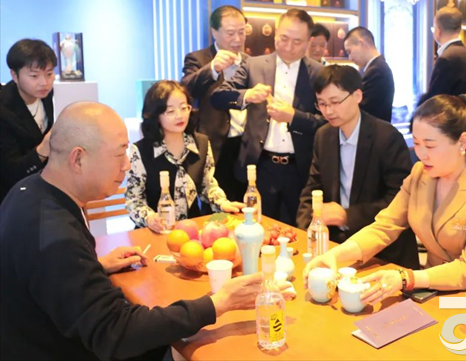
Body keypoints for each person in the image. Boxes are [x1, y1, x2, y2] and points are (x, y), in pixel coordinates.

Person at [0, 101, 294, 359]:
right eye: (119, 154)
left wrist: (93, 266)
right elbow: (117, 332)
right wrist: (218, 303)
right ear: (78, 158)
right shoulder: (55, 234)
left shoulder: (28, 191)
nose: (127, 165)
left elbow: (48, 276)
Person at [304, 94, 466, 307]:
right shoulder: (420, 174)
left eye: (430, 145)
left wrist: (405, 278)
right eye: (416, 143)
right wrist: (334, 255)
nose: (421, 154)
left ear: (462, 142)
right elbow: (384, 227)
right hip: (436, 293)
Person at [296, 65, 420, 269]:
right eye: (322, 104)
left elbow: (400, 201)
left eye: (335, 102)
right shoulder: (324, 136)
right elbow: (312, 189)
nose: (329, 111)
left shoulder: (386, 137)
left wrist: (348, 215)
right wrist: (306, 233)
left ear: (357, 96)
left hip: (383, 252)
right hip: (336, 246)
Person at [211, 8, 325, 226]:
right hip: (260, 166)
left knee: (298, 230)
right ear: (275, 33)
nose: (289, 47)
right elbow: (218, 97)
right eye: (284, 38)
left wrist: (294, 117)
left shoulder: (318, 73)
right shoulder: (254, 65)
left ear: (309, 41)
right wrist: (247, 95)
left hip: (300, 168)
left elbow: (328, 122)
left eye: (297, 42)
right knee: (256, 227)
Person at [126, 80, 243, 231]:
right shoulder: (141, 151)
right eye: (170, 111)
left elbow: (207, 185)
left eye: (184, 108)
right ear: (156, 115)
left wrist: (222, 203)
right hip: (154, 232)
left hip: (192, 229)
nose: (180, 116)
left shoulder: (201, 143)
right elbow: (134, 200)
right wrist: (149, 218)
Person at [181, 5, 249, 200]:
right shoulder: (198, 59)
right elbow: (186, 88)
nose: (237, 39)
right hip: (215, 146)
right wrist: (212, 68)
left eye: (242, 32)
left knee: (244, 203)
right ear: (214, 32)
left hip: (244, 146)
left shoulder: (250, 61)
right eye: (230, 33)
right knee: (214, 202)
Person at [0, 39, 56, 203]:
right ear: (14, 75)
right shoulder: (4, 108)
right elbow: (9, 170)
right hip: (11, 197)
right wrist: (42, 150)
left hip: (43, 189)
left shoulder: (47, 96)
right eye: (34, 76)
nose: (44, 83)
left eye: (49, 74)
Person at [418, 7, 466, 107]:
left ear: (438, 31)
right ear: (460, 29)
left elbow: (435, 100)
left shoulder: (446, 59)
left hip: (449, 115)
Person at [343, 26, 395, 122]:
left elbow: (360, 110)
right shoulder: (376, 68)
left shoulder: (376, 71)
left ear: (362, 43)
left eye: (349, 52)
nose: (350, 58)